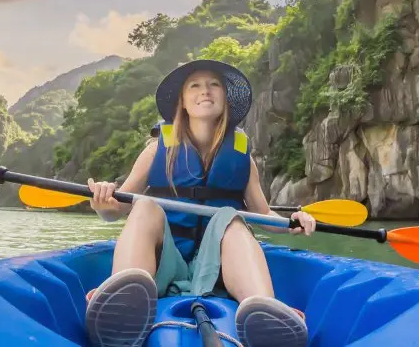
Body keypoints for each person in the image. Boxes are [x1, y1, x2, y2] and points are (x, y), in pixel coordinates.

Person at [83, 59, 316, 347]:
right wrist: (103, 201)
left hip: (217, 268)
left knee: (232, 219)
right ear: (182, 101)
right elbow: (117, 209)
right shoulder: (157, 150)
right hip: (164, 263)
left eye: (214, 85)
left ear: (224, 98)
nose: (205, 91)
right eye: (195, 85)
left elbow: (264, 214)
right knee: (144, 205)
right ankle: (123, 304)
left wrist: (293, 222)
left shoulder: (241, 157)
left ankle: (263, 309)